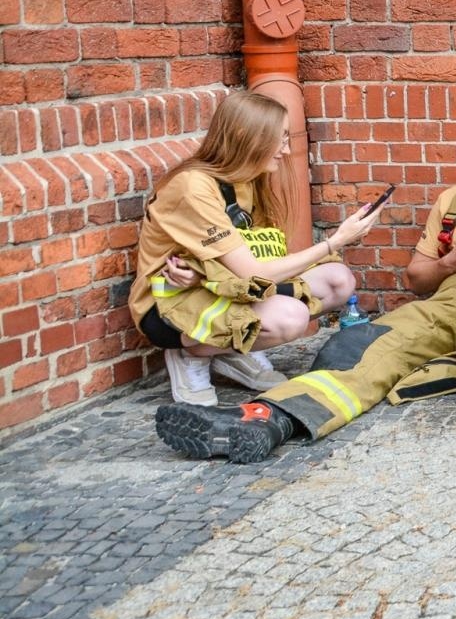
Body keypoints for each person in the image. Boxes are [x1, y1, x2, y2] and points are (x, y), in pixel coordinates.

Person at [155, 111, 456, 463]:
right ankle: (265, 418)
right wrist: (452, 261)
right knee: (361, 348)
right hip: (453, 307)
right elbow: (416, 281)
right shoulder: (453, 202)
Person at [131, 91, 381, 406]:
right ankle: (191, 354)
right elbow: (254, 272)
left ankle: (234, 350)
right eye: (280, 138)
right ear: (246, 137)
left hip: (221, 287)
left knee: (338, 281)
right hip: (171, 305)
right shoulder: (193, 187)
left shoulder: (245, 179)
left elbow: (257, 257)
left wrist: (206, 276)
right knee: (291, 317)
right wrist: (335, 241)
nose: (286, 150)